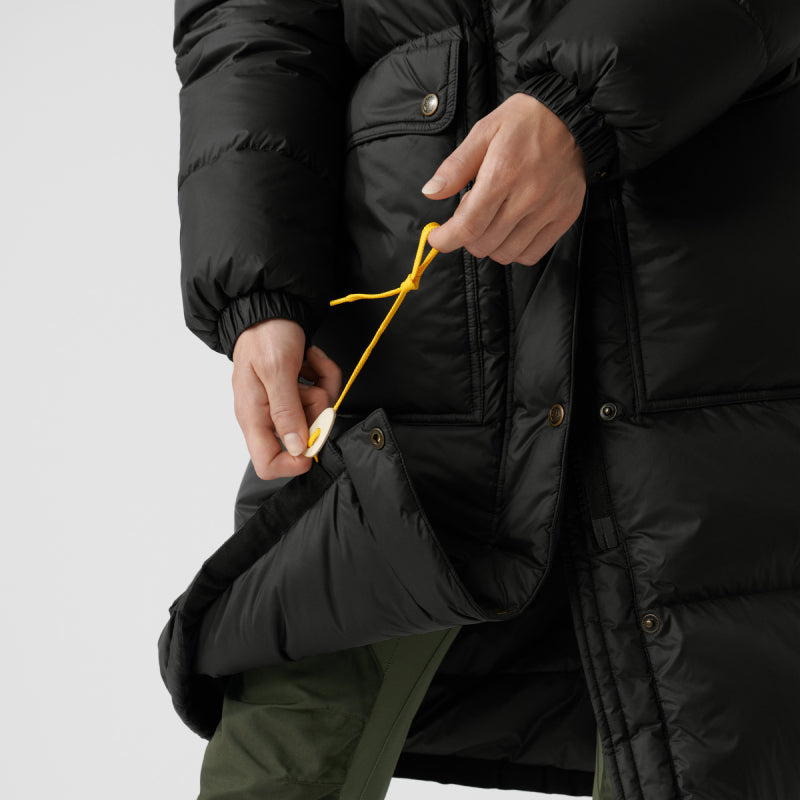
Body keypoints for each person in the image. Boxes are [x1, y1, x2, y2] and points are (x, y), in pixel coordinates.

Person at [164, 1, 800, 799]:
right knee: (277, 748)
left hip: (693, 311)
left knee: (702, 728)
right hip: (408, 343)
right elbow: (253, 26)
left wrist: (587, 96)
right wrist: (257, 286)